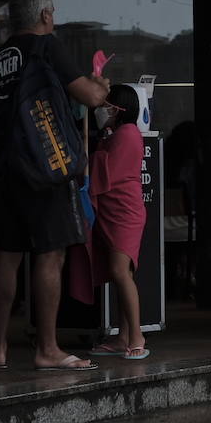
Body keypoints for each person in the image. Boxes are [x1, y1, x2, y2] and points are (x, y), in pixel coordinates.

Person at [0, 0, 110, 372]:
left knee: (6, 257)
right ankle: (48, 348)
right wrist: (100, 85)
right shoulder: (47, 46)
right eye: (52, 11)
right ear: (44, 15)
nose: (53, 17)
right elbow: (89, 97)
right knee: (49, 255)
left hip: (7, 168)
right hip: (46, 167)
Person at [86, 83, 150, 360]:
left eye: (106, 105)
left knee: (120, 271)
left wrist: (91, 154)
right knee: (121, 273)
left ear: (119, 108)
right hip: (115, 211)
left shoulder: (128, 133)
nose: (102, 109)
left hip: (125, 212)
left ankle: (137, 335)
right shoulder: (116, 133)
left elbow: (108, 171)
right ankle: (123, 336)